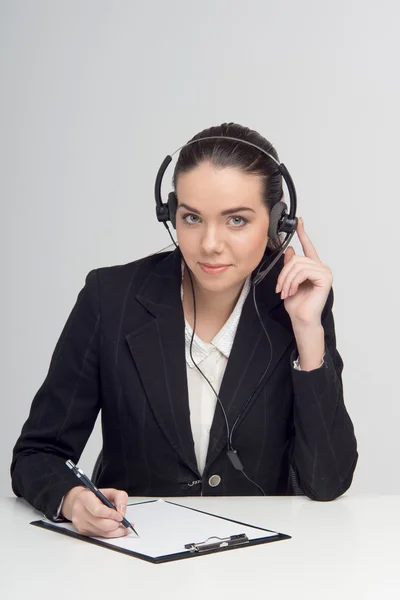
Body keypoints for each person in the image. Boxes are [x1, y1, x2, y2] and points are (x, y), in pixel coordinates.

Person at [11, 122, 358, 539]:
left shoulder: (297, 304)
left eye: (236, 220)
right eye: (192, 218)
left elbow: (328, 481)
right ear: (170, 214)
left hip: (261, 566)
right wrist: (70, 498)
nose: (210, 243)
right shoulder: (111, 299)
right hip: (136, 557)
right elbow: (37, 454)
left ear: (276, 223)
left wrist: (307, 331)